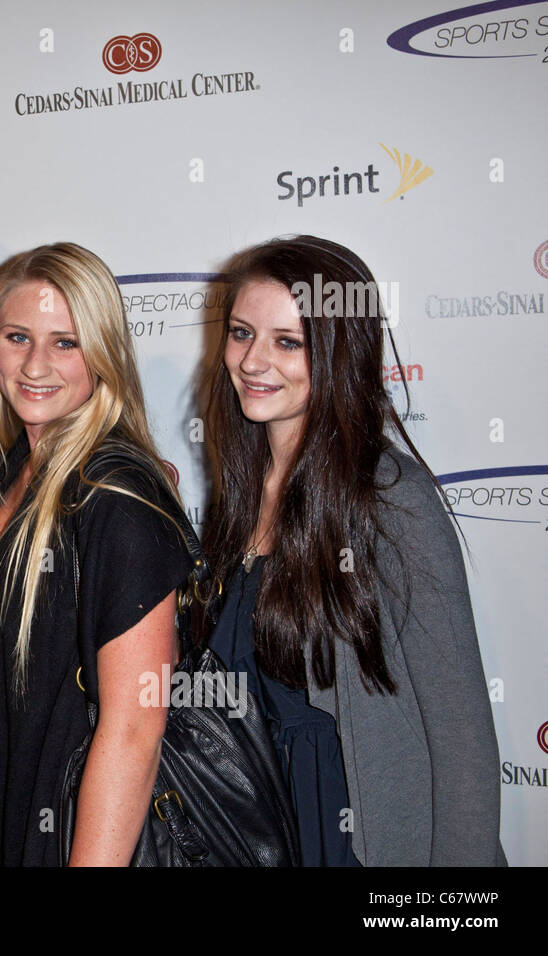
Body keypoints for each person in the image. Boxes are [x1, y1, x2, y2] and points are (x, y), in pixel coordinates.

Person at [202, 235, 505, 866]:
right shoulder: (237, 491)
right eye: (240, 333)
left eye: (289, 342)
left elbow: (462, 737)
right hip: (257, 828)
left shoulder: (390, 498)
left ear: (340, 350)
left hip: (356, 837)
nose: (253, 361)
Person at [0, 242, 192, 866]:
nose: (36, 364)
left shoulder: (117, 496)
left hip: (73, 831)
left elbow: (135, 728)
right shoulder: (19, 468)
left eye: (65, 342)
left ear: (104, 352)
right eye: (17, 336)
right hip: (12, 808)